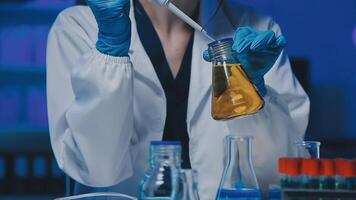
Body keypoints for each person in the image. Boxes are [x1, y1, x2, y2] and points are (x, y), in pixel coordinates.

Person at [47, 0, 310, 198]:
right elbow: (96, 170)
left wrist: (252, 92)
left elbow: (278, 175)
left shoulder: (256, 28)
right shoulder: (79, 27)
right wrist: (110, 50)